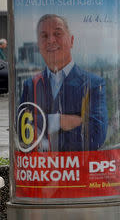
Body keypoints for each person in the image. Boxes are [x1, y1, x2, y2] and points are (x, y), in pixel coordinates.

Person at [20, 14, 108, 152]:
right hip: (41, 171)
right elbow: (22, 131)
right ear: (38, 45)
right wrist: (58, 121)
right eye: (44, 36)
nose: (51, 40)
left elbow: (95, 137)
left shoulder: (94, 84)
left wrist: (40, 128)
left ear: (71, 40)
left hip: (78, 170)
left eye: (57, 33)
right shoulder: (30, 85)